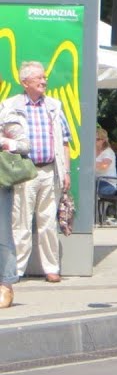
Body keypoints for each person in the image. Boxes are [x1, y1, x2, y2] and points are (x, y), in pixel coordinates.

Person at [6, 61, 70, 283]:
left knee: (48, 222)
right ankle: (16, 270)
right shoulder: (10, 106)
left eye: (44, 77)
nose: (44, 81)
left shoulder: (54, 106)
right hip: (24, 172)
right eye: (39, 78)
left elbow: (65, 142)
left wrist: (66, 172)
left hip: (50, 171)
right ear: (25, 82)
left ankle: (51, 268)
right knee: (21, 222)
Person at [0, 104, 28, 307]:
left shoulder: (5, 113)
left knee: (2, 234)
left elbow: (25, 145)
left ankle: (6, 284)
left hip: (0, 182)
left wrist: (3, 141)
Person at [94, 126, 117, 197]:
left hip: (108, 184)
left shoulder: (108, 152)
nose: (94, 141)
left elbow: (104, 166)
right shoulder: (92, 151)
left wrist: (89, 164)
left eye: (97, 139)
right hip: (95, 181)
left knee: (88, 188)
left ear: (103, 140)